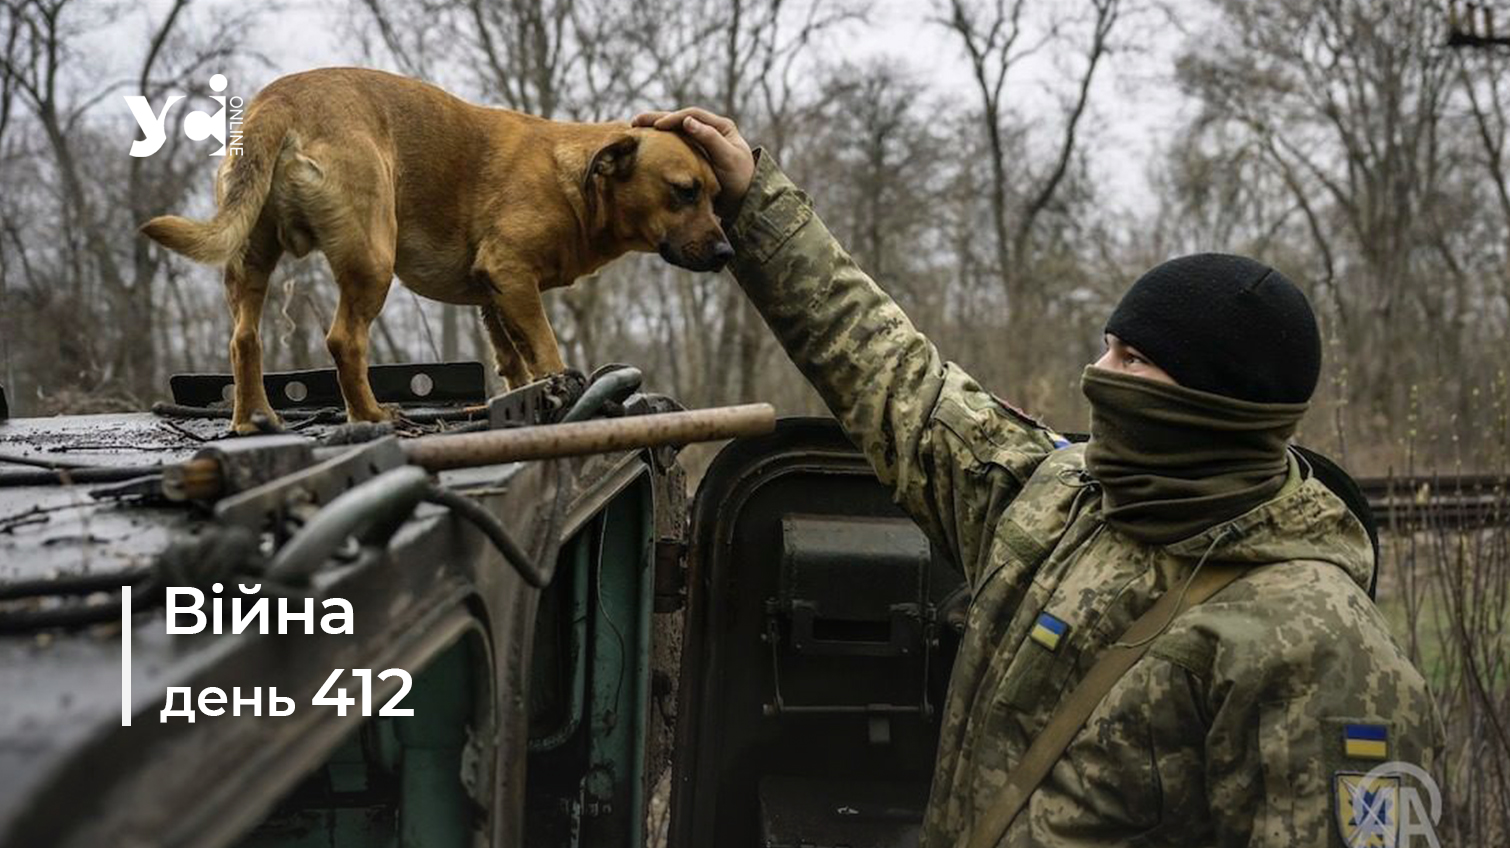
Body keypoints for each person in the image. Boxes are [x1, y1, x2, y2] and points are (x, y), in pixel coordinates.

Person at [631, 108, 1442, 847]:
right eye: (1108, 345)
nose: (1099, 372)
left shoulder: (1319, 647)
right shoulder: (1062, 502)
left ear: (1218, 407)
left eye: (1134, 360)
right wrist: (752, 203)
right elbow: (894, 380)